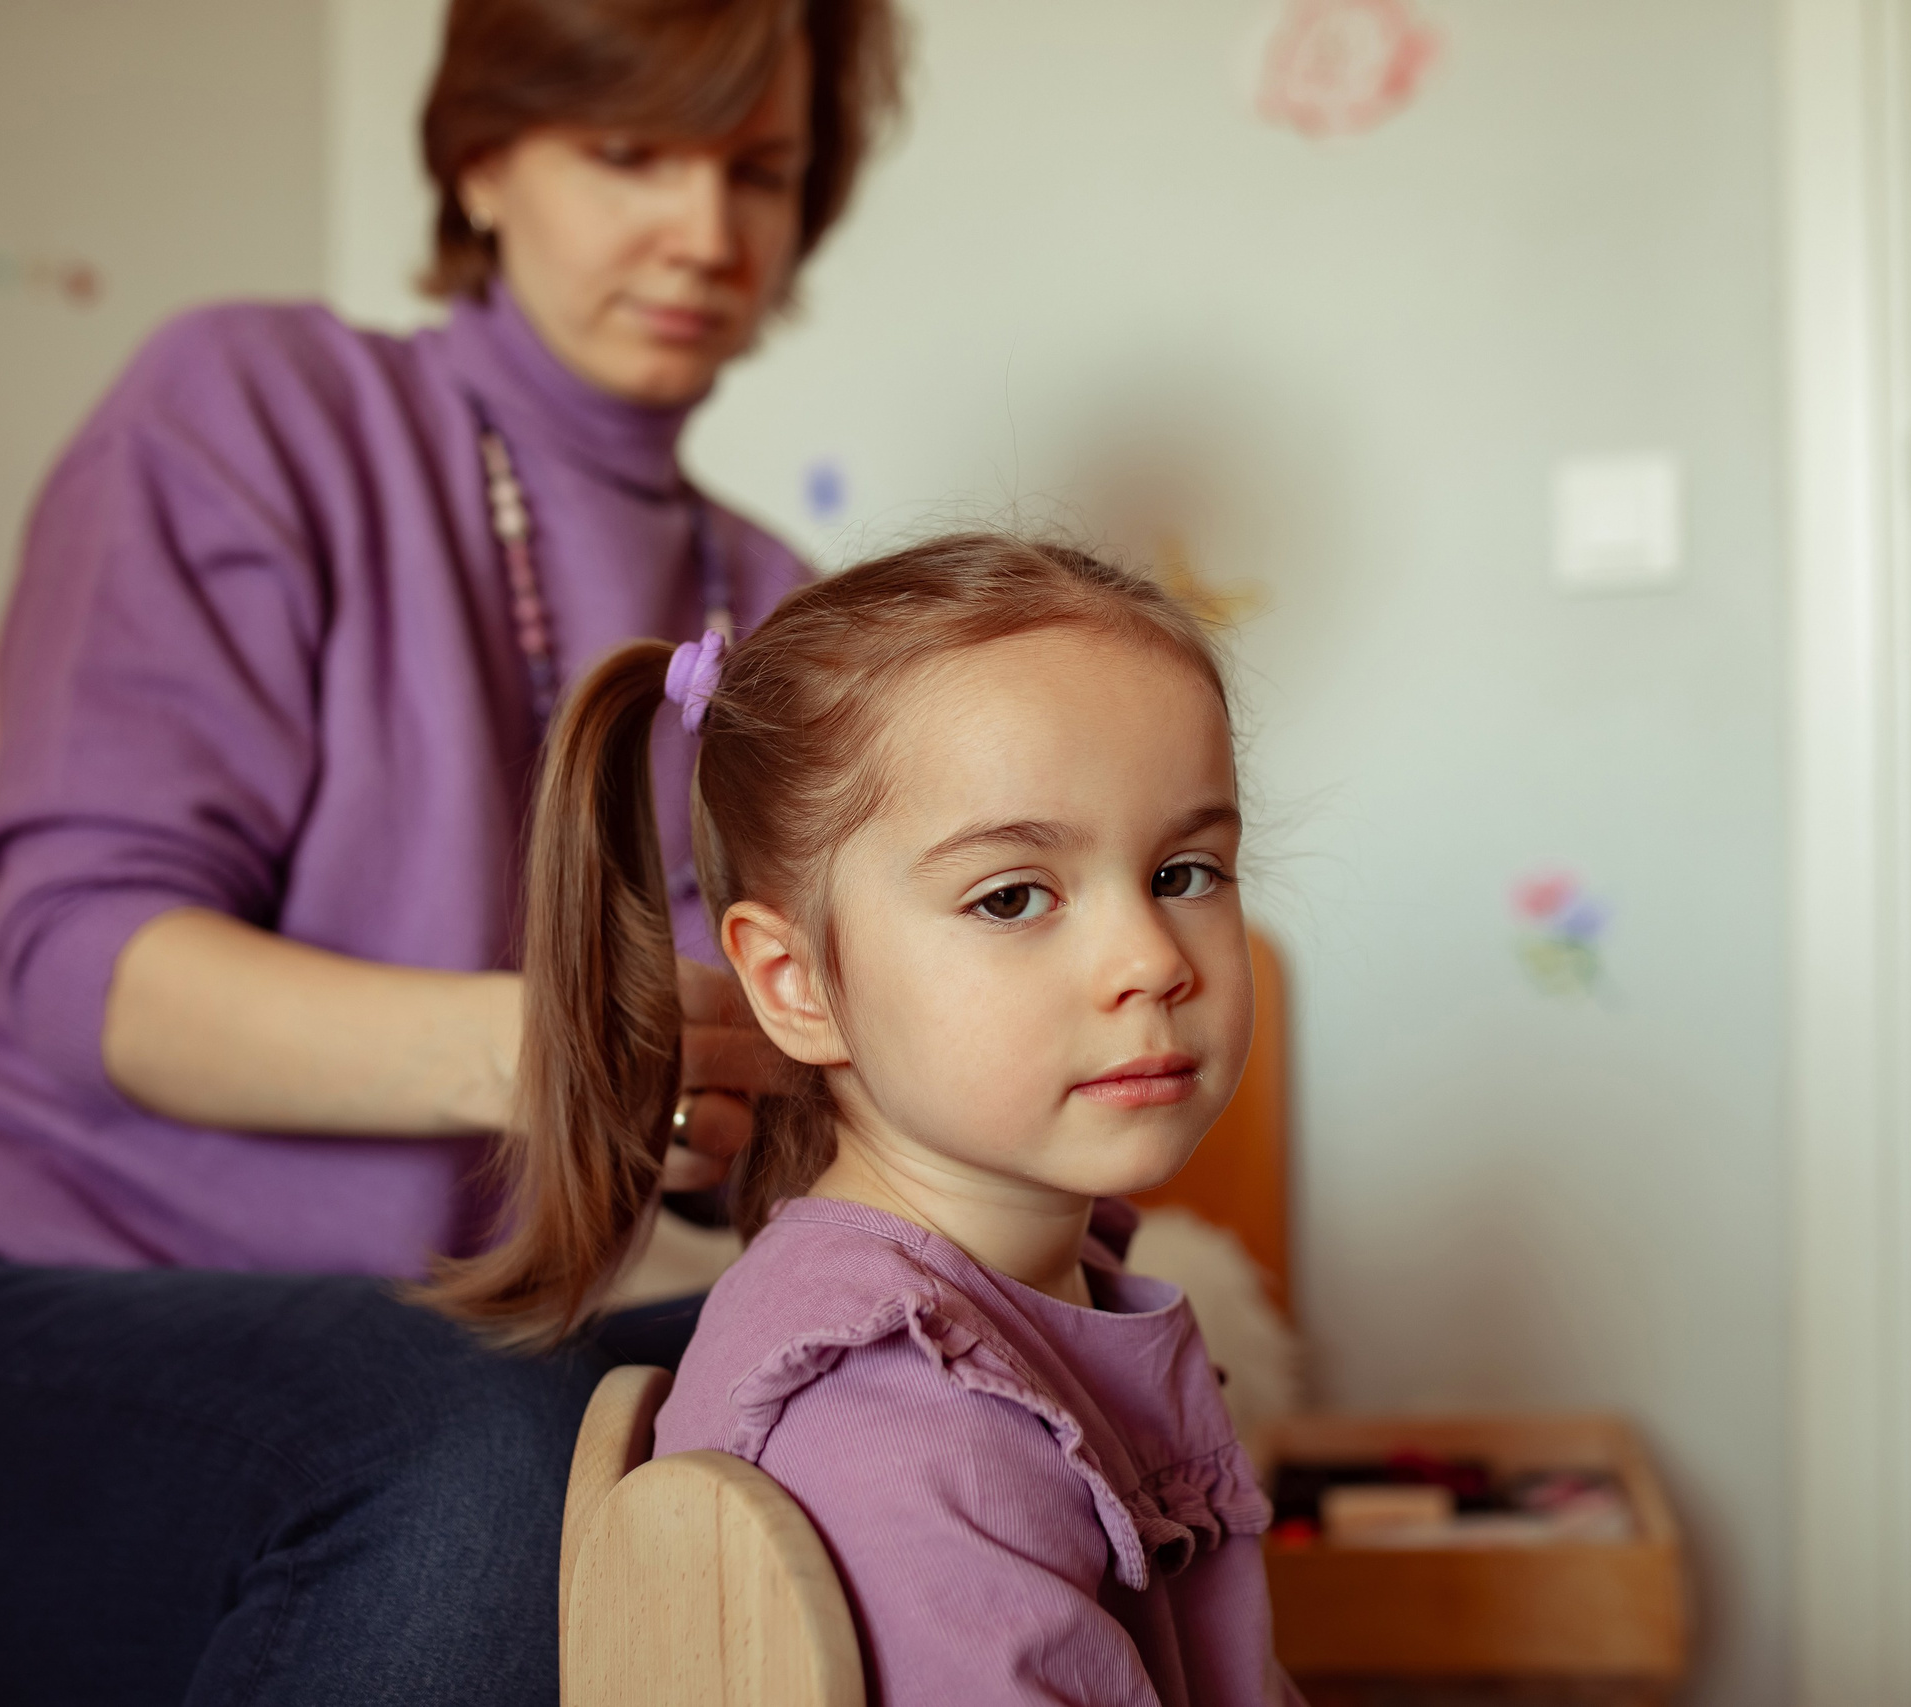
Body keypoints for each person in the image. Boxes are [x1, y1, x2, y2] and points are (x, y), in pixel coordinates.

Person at [0, 2, 901, 1702]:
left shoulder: (783, 609)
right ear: (487, 155)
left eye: (763, 171)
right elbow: (86, 966)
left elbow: (743, 1104)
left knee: (899, 1399)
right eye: (630, 152)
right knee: (483, 1451)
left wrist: (774, 1120)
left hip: (411, 1335)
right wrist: (560, 1048)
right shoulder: (251, 405)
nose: (706, 232)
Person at [435, 535, 1302, 1705]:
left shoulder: (1054, 1269)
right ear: (793, 984)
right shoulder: (900, 1417)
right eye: (1011, 896)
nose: (1148, 961)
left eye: (1185, 873)